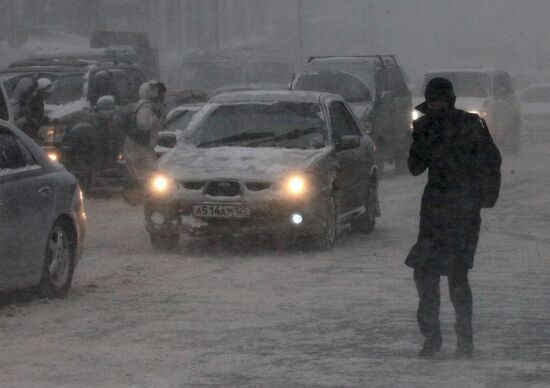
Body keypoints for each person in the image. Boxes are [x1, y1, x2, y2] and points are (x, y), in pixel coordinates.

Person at [406, 77, 502, 359]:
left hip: (461, 210)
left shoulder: (470, 125)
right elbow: (415, 166)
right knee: (426, 273)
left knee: (455, 277)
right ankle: (434, 337)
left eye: (441, 100)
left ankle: (462, 339)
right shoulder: (428, 127)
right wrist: (420, 136)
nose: (438, 106)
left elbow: (491, 161)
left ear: (450, 100)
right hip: (438, 210)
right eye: (433, 101)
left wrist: (483, 198)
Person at [123, 80, 168, 205]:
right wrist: (157, 116)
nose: (162, 96)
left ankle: (139, 197)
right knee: (147, 173)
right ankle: (143, 197)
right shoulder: (146, 106)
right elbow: (143, 124)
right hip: (138, 146)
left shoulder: (149, 106)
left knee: (144, 173)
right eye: (160, 93)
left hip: (142, 146)